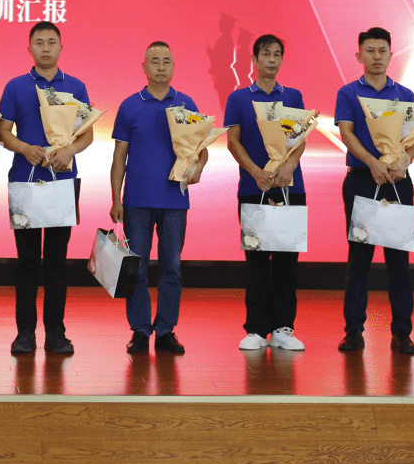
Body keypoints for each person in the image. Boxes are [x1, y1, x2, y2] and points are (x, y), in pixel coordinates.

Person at [0, 21, 94, 356]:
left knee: (56, 262)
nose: (46, 48)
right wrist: (24, 148)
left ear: (61, 48)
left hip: (61, 182)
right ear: (30, 48)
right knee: (26, 263)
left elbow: (87, 133)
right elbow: (3, 132)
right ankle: (25, 333)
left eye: (52, 42)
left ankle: (56, 332)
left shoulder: (76, 86)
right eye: (39, 42)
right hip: (25, 181)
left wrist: (70, 151)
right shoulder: (16, 86)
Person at [109, 41, 208, 355]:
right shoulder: (130, 106)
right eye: (155, 61)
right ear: (144, 67)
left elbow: (201, 150)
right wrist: (116, 199)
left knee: (172, 268)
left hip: (175, 201)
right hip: (136, 201)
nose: (161, 67)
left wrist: (199, 168)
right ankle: (139, 330)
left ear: (174, 67)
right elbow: (119, 157)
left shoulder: (186, 104)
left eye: (166, 61)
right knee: (136, 269)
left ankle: (166, 330)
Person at [334, 26, 414, 355]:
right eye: (370, 51)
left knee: (399, 260)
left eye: (382, 51)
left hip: (397, 181)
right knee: (359, 259)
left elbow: (413, 138)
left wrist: (404, 162)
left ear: (391, 54)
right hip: (361, 179)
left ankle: (402, 332)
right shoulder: (348, 93)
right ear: (359, 55)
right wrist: (372, 163)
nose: (376, 57)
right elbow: (347, 133)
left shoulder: (405, 94)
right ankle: (353, 331)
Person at [224, 34, 309, 352]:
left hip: (290, 188)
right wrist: (255, 172)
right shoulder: (239, 98)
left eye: (277, 54)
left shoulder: (293, 96)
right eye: (266, 54)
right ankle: (256, 329)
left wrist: (289, 167)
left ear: (281, 60)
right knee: (257, 262)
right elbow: (233, 141)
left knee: (287, 262)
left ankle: (284, 328)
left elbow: (300, 139)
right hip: (253, 187)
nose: (271, 60)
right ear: (254, 60)